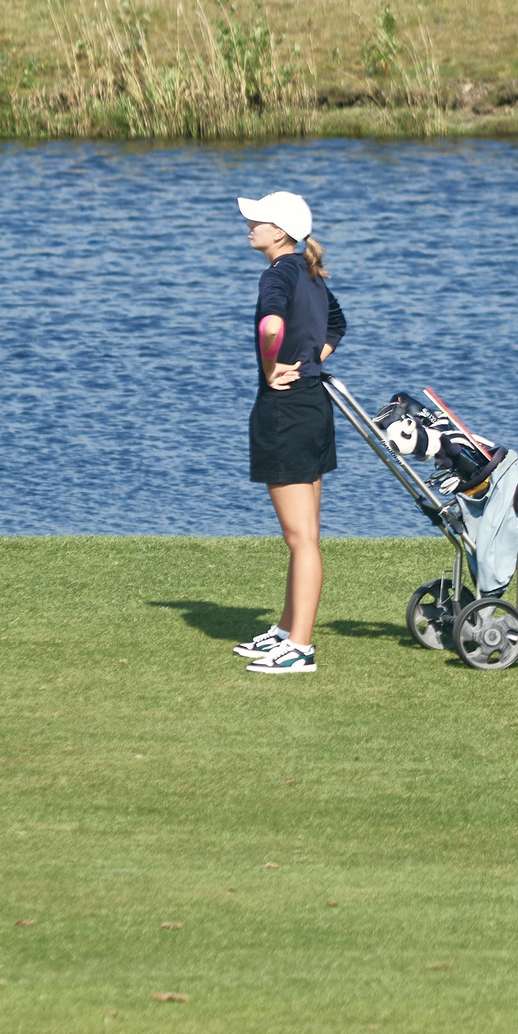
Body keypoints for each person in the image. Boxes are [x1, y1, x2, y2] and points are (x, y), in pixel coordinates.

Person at [233, 190, 345, 676]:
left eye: (256, 219)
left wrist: (271, 365)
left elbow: (271, 325)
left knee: (302, 540)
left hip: (288, 411)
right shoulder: (309, 271)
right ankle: (285, 630)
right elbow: (337, 323)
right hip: (314, 407)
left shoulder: (278, 272)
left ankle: (300, 647)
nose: (249, 225)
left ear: (278, 232)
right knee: (306, 536)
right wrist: (314, 358)